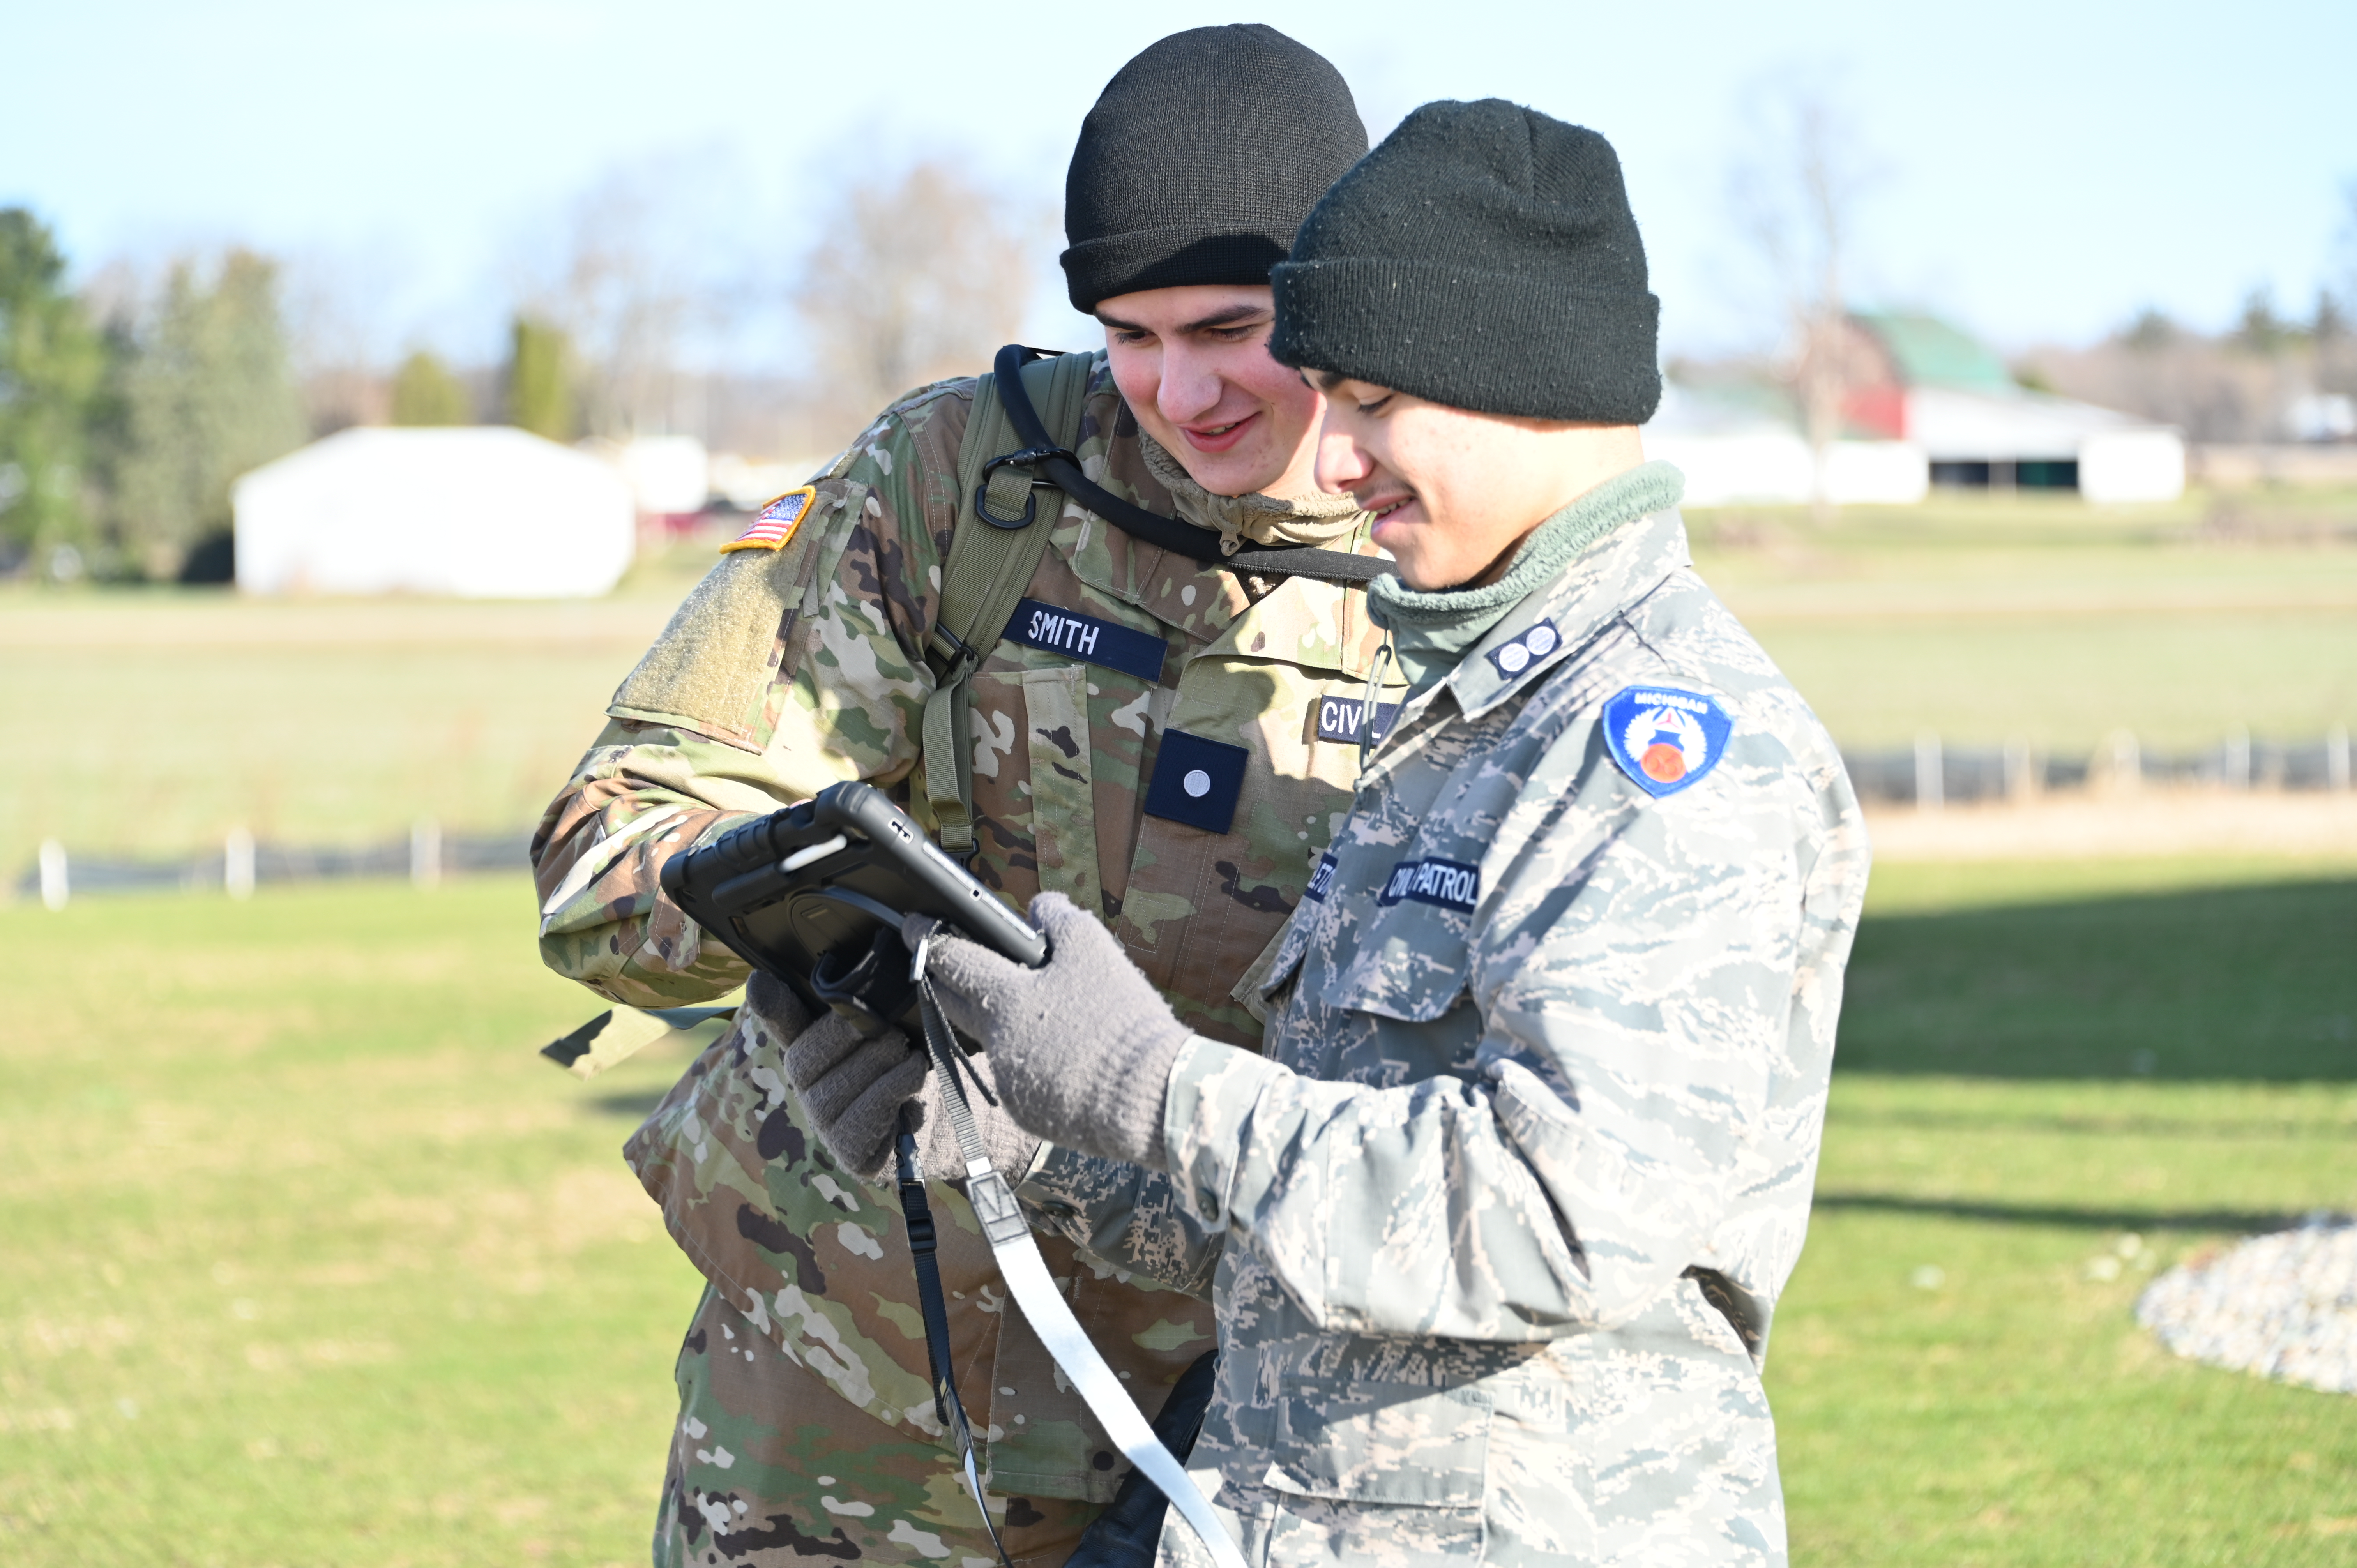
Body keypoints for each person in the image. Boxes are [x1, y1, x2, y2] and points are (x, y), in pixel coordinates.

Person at [912, 99, 1873, 1566]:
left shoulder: (1659, 748)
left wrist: (1149, 1083)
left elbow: (1550, 1219)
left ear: (1519, 380)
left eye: (1370, 402)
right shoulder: (1471, 722)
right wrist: (1015, 1121)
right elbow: (1319, 1237)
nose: (1337, 459)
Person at [529, 26, 1388, 1568]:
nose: (1178, 389)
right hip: (846, 1435)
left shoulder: (1446, 546)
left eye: (1230, 326)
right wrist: (809, 939)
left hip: (1235, 1452)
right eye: (1130, 333)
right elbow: (603, 860)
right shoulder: (952, 483)